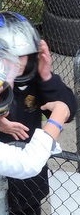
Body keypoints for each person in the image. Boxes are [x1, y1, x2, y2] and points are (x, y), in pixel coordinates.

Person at [0, 12, 78, 215]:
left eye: (27, 57)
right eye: (13, 58)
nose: (21, 65)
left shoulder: (33, 79)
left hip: (25, 184)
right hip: (9, 169)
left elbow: (65, 108)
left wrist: (46, 75)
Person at [0, 45, 71, 178]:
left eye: (20, 56)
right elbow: (28, 164)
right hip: (18, 163)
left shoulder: (33, 81)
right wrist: (57, 118)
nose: (13, 63)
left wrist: (47, 77)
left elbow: (69, 111)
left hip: (30, 182)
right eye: (4, 58)